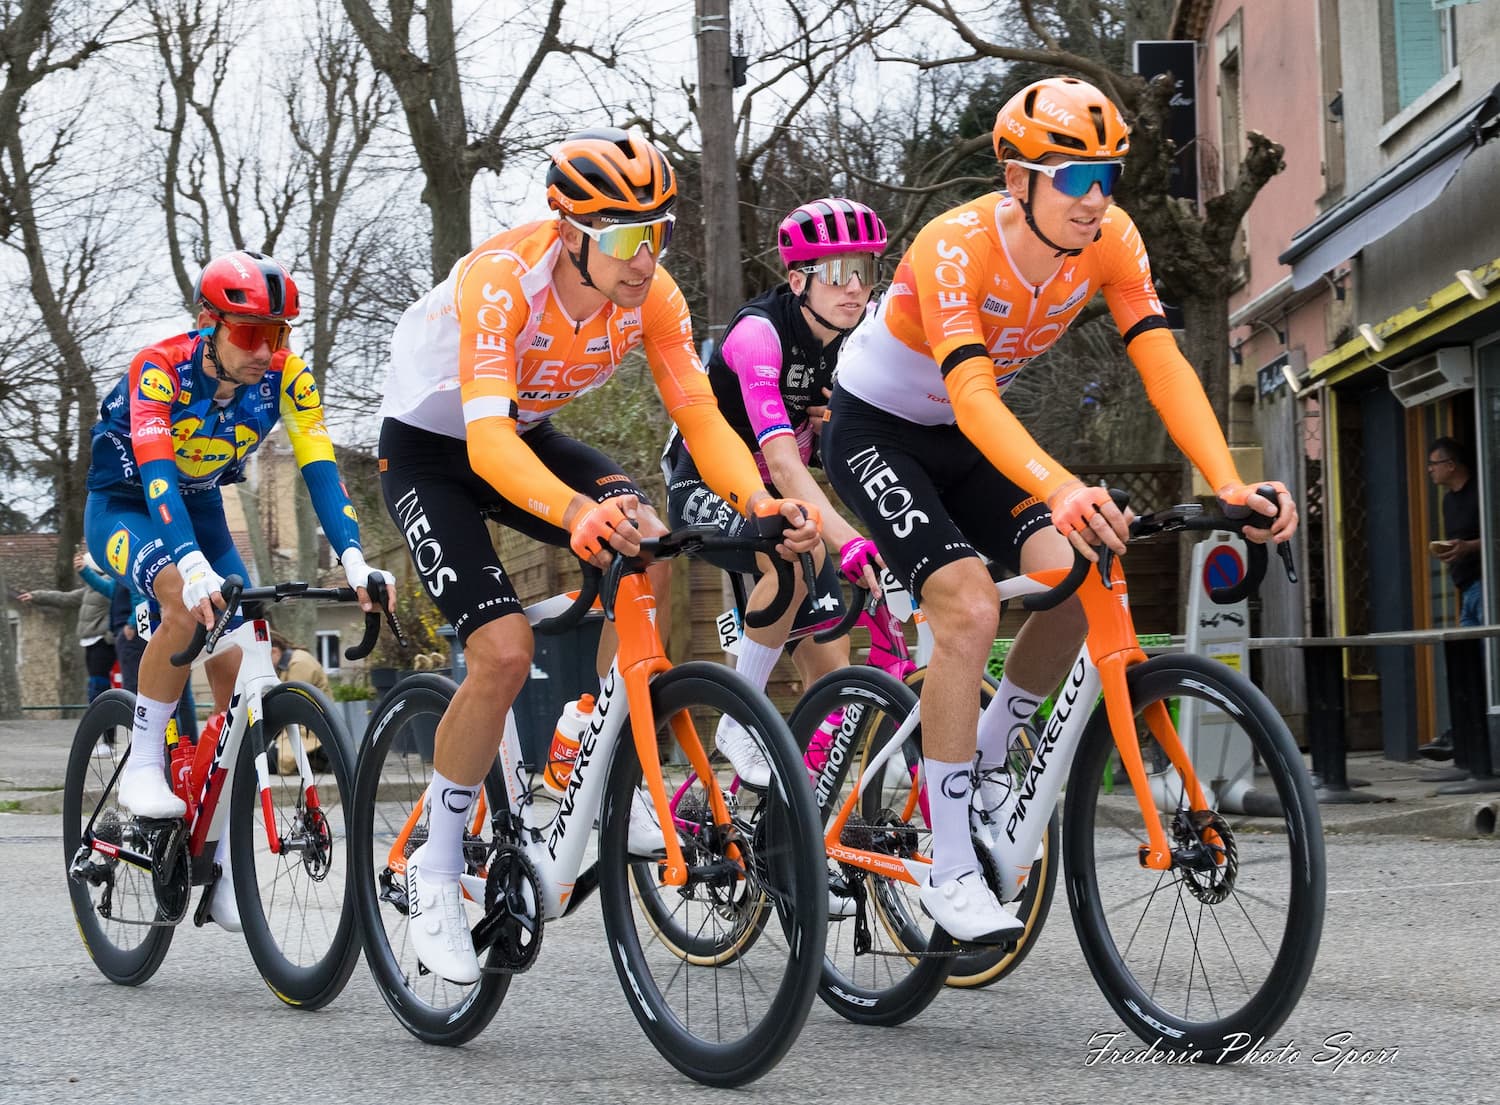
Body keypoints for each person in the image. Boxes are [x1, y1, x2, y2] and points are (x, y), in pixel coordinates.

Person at [823, 76, 1298, 942]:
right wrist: (1060, 486)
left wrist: (1225, 480)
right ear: (1017, 180)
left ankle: (995, 738)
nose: (1095, 198)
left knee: (1079, 576)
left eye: (1107, 175)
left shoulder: (1112, 238)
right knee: (965, 603)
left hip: (967, 435)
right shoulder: (955, 245)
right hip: (877, 429)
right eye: (1073, 178)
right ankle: (950, 865)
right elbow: (971, 395)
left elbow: (1162, 365)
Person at [376, 125, 821, 983]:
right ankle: (434, 870)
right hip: (436, 449)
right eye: (622, 237)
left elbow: (697, 410)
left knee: (646, 535)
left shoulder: (652, 297)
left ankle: (593, 733)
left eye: (655, 234)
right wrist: (578, 511)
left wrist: (762, 498)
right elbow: (488, 446)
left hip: (524, 434)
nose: (643, 258)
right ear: (568, 229)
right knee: (500, 653)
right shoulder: (507, 281)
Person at [84, 249, 393, 932]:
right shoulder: (159, 368)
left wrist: (353, 556)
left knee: (237, 688)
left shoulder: (285, 374)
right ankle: (141, 765)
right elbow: (157, 471)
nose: (267, 349)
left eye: (279, 333)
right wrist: (190, 567)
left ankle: (220, 864)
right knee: (179, 600)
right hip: (128, 503)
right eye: (251, 332)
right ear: (208, 322)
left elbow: (319, 464)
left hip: (200, 511)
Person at [663, 197, 887, 785]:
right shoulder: (759, 335)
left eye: (865, 269)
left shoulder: (852, 341)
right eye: (838, 273)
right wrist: (852, 543)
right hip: (709, 486)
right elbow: (785, 469)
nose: (855, 288)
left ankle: (759, 815)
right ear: (798, 280)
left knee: (833, 683)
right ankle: (738, 720)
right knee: (794, 545)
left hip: (786, 499)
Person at [1420, 436, 1484, 762]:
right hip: (1465, 587)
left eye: (1434, 464)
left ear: (1451, 465)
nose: (1430, 470)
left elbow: (1491, 536)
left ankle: (1472, 738)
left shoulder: (1483, 491)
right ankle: (1463, 736)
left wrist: (1470, 547)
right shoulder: (1448, 501)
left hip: (1487, 588)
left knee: (1487, 665)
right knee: (1466, 665)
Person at [17, 551, 116, 712]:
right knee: (96, 684)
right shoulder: (89, 590)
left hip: (102, 642)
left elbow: (120, 608)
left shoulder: (108, 583)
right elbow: (65, 598)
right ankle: (102, 724)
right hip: (90, 641)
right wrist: (37, 596)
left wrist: (109, 636)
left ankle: (104, 724)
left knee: (98, 685)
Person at [268, 629, 331, 773]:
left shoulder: (298, 663)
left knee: (271, 762)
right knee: (269, 760)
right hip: (306, 725)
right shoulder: (291, 662)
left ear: (275, 652)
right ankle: (315, 758)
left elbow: (290, 704)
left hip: (311, 727)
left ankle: (320, 756)